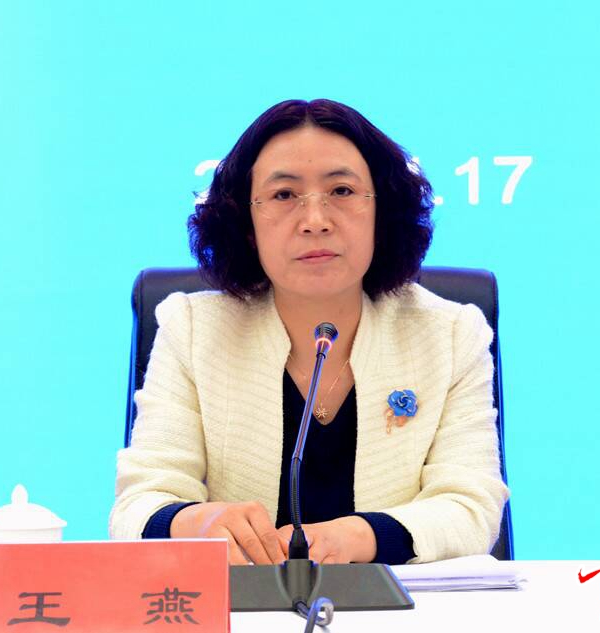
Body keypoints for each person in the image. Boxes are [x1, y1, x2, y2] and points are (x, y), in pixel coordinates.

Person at [109, 98, 509, 565]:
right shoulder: (193, 330)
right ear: (247, 224)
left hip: (400, 603)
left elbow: (470, 508)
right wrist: (195, 522)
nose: (315, 221)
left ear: (381, 212)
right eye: (284, 195)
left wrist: (359, 536)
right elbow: (137, 508)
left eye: (342, 190)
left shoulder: (451, 334)